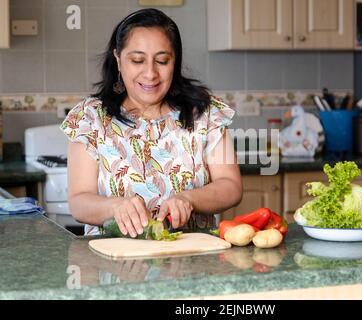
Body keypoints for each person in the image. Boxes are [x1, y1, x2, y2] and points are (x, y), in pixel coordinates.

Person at [60, 8, 242, 237]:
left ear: (175, 61)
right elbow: (79, 201)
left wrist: (188, 198)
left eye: (162, 61)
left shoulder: (206, 114)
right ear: (118, 60)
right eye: (137, 60)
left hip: (194, 263)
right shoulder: (89, 118)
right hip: (112, 265)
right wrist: (115, 207)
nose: (150, 74)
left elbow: (231, 186)